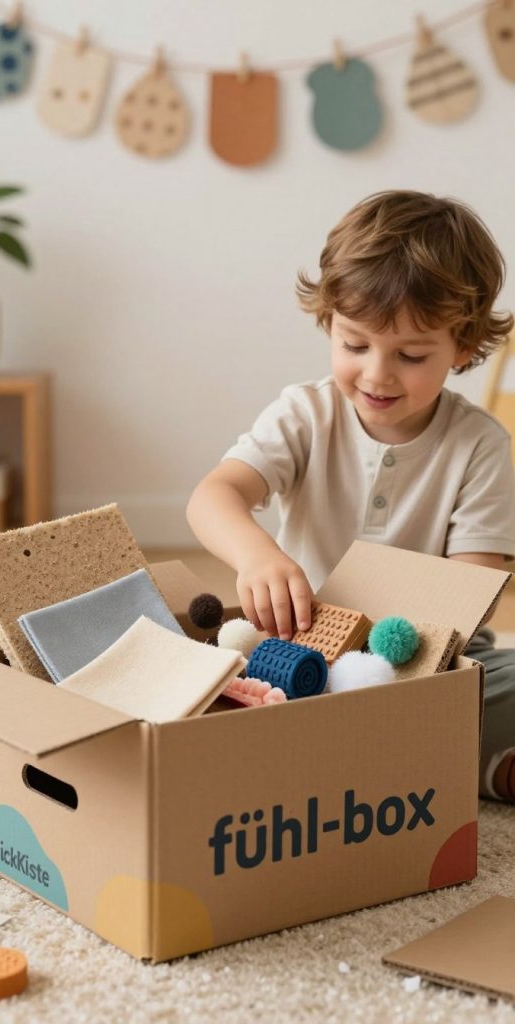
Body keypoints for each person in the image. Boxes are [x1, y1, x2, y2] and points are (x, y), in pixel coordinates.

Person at [186, 190, 515, 802]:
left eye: (411, 355)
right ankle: (445, 761)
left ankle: (451, 760)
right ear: (329, 323)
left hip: (430, 661)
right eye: (355, 344)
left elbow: (476, 587)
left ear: (463, 348)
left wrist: (404, 654)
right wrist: (259, 556)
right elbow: (214, 495)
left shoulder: (480, 445)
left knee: (498, 684)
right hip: (300, 645)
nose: (377, 374)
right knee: (215, 675)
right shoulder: (305, 414)